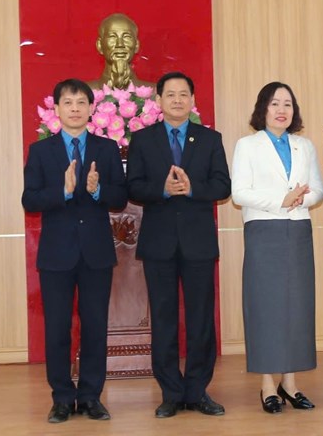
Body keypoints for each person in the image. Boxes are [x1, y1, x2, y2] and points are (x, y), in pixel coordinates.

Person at [22, 78, 128, 423]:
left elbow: (120, 198)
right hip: (56, 254)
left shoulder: (106, 148)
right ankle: (62, 398)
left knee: (96, 325)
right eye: (68, 103)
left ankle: (91, 397)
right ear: (57, 109)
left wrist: (97, 191)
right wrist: (63, 191)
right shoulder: (41, 151)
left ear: (91, 108)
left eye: (82, 102)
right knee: (57, 328)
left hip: (96, 252)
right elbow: (30, 199)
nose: (75, 109)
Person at [126, 71, 232, 418]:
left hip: (198, 243)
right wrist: (161, 190)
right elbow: (133, 187)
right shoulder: (142, 139)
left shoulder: (209, 139)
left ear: (192, 100)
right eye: (169, 94)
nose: (176, 100)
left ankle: (198, 390)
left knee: (202, 320)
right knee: (164, 319)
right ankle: (171, 392)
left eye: (183, 94)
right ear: (158, 100)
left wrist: (192, 189)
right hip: (159, 244)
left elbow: (222, 186)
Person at [231, 82, 323, 414]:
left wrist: (302, 198)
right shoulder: (248, 145)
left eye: (287, 103)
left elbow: (318, 190)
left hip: (298, 229)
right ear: (263, 109)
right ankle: (267, 386)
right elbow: (239, 192)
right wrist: (280, 201)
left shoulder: (304, 145)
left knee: (297, 308)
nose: (282, 109)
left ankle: (291, 383)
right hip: (263, 230)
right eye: (274, 103)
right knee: (266, 308)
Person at [87, 13, 155, 91]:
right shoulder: (84, 93)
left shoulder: (155, 92)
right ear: (99, 45)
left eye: (126, 37)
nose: (120, 44)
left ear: (136, 45)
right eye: (112, 36)